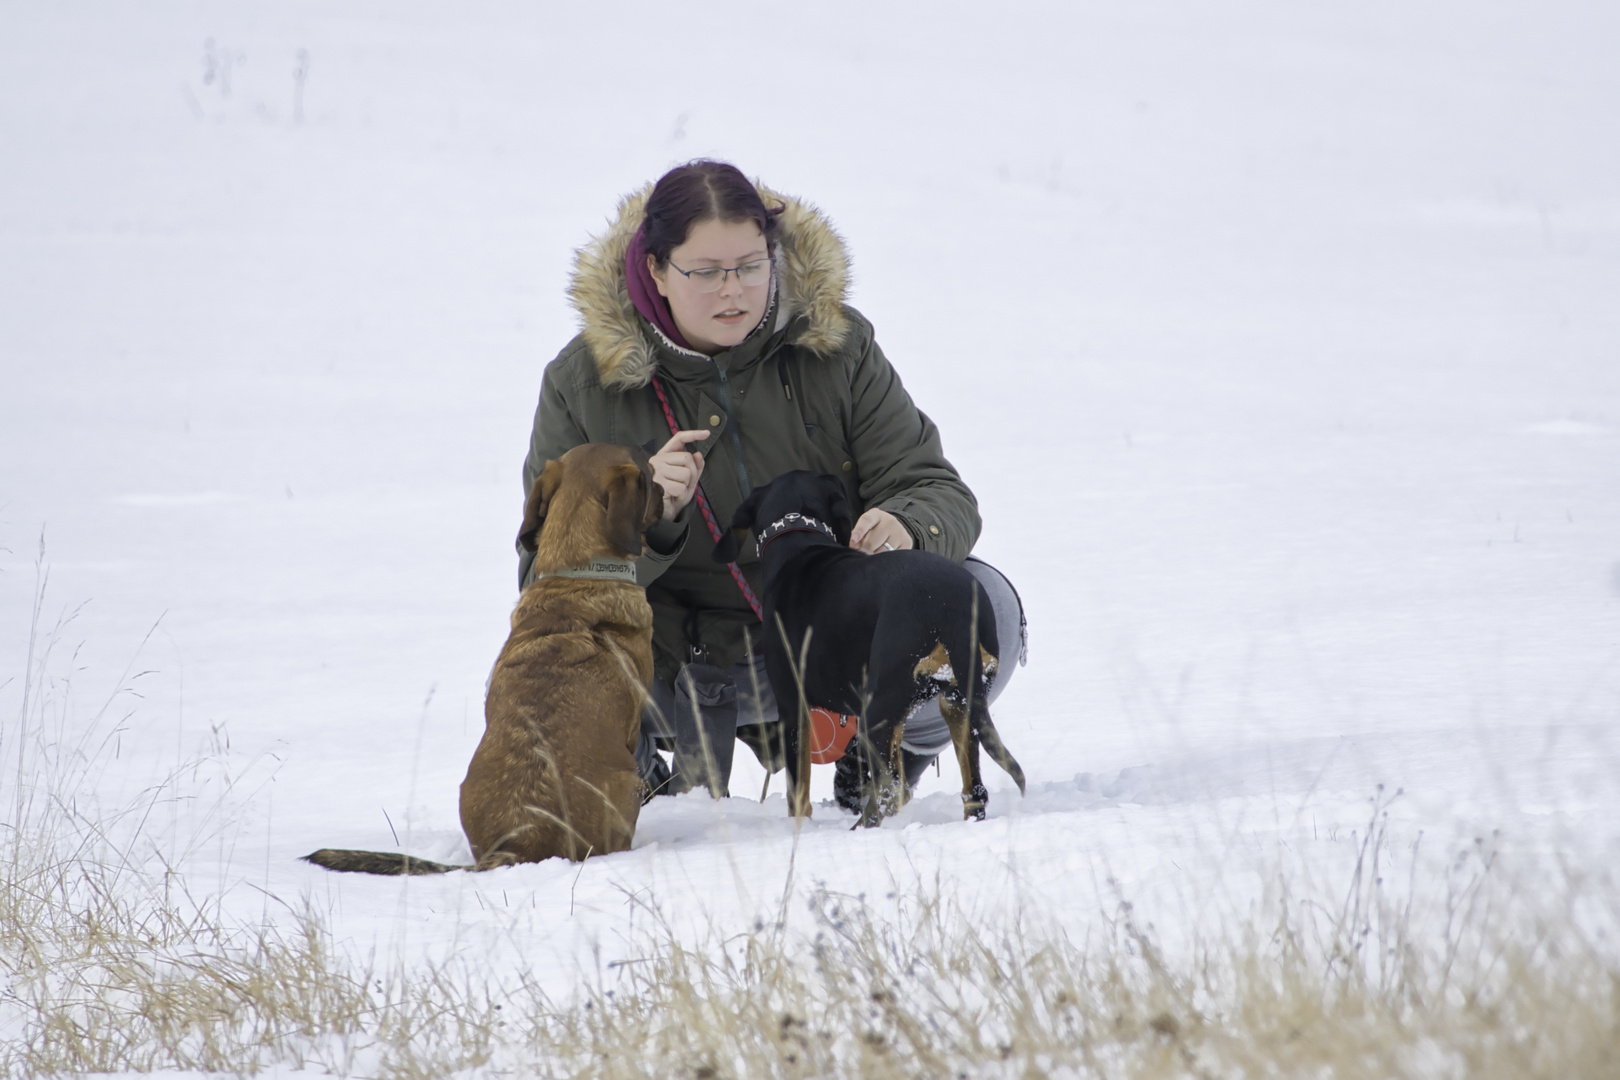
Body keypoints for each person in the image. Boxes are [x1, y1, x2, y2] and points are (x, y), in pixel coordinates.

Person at [520, 160, 1025, 808]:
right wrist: (651, 522)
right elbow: (544, 580)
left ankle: (885, 758)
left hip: (829, 640)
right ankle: (634, 770)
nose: (733, 290)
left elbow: (933, 486)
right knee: (560, 654)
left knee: (984, 603)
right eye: (705, 272)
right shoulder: (582, 383)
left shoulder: (835, 346)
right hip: (672, 667)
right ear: (655, 270)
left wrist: (906, 525)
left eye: (751, 265)